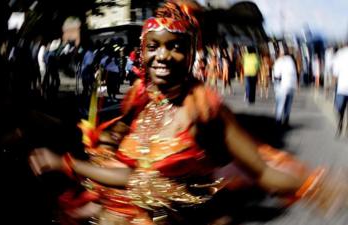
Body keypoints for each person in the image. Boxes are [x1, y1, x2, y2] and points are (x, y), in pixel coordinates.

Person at [29, 1, 347, 225]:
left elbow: (261, 170)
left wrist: (315, 186)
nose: (163, 56)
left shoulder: (203, 110)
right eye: (154, 46)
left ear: (190, 54)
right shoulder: (143, 102)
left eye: (176, 46)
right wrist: (86, 152)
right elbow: (128, 171)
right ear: (142, 52)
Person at [272, 44, 298, 126]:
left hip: (283, 85)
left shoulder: (279, 61)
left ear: (280, 53)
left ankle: (278, 120)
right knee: (288, 104)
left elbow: (276, 75)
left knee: (280, 103)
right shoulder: (291, 60)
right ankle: (286, 119)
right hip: (292, 85)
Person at [332, 43, 348, 137]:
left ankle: (342, 123)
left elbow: (335, 72)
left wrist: (333, 84)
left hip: (341, 86)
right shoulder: (340, 54)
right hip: (342, 86)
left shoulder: (339, 54)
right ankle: (342, 122)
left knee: (339, 108)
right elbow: (335, 72)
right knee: (341, 108)